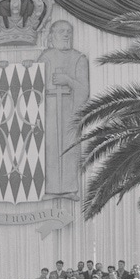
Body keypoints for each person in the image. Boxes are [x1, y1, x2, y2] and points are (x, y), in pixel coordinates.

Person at [36, 19, 90, 199]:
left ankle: (69, 188)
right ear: (52, 36)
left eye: (68, 31)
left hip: (69, 109)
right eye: (61, 31)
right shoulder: (45, 57)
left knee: (69, 147)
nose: (66, 34)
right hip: (49, 109)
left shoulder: (79, 58)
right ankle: (50, 189)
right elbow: (34, 84)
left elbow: (84, 90)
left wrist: (67, 80)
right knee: (49, 148)